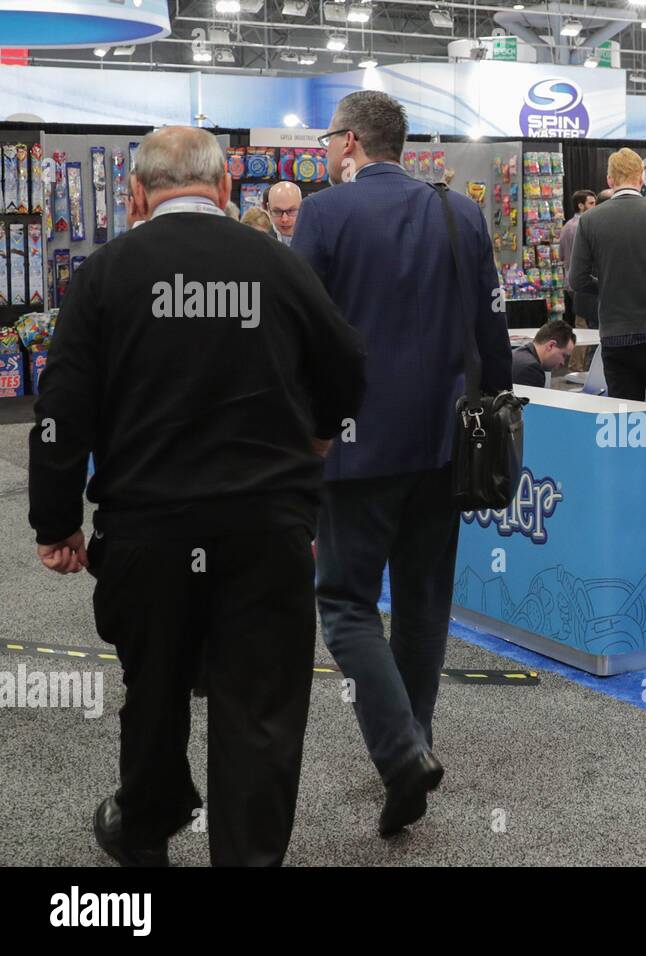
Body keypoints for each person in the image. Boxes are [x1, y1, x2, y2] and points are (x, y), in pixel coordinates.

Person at [27, 126, 365, 866]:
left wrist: (57, 522)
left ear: (139, 196)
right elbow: (347, 375)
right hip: (265, 528)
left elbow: (61, 409)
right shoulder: (278, 267)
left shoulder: (105, 273)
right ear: (223, 190)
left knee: (153, 686)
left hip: (148, 528)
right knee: (263, 708)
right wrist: (304, 471)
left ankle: (148, 821)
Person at [292, 90, 512, 837]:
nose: (326, 150)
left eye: (328, 139)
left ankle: (400, 754)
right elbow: (492, 332)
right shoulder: (462, 213)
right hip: (447, 442)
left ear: (350, 141)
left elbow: (301, 336)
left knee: (346, 603)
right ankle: (413, 742)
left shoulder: (323, 215)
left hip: (354, 446)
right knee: (424, 603)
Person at [567, 147, 646, 406]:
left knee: (625, 420)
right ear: (642, 179)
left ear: (609, 181)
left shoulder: (589, 220)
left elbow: (577, 280)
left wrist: (609, 285)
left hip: (615, 333)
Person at [560, 189, 597, 330]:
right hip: (583, 281)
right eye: (591, 203)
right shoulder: (585, 226)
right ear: (580, 205)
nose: (595, 206)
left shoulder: (566, 226)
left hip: (570, 280)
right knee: (586, 325)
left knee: (580, 323)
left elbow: (561, 255)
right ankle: (585, 353)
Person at [512, 319, 575, 387]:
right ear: (550, 345)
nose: (563, 363)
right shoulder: (532, 370)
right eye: (564, 356)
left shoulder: (517, 354)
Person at [266, 181, 302, 246]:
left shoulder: (318, 241)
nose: (284, 219)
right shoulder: (260, 245)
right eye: (277, 211)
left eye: (291, 211)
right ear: (268, 209)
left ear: (302, 207)